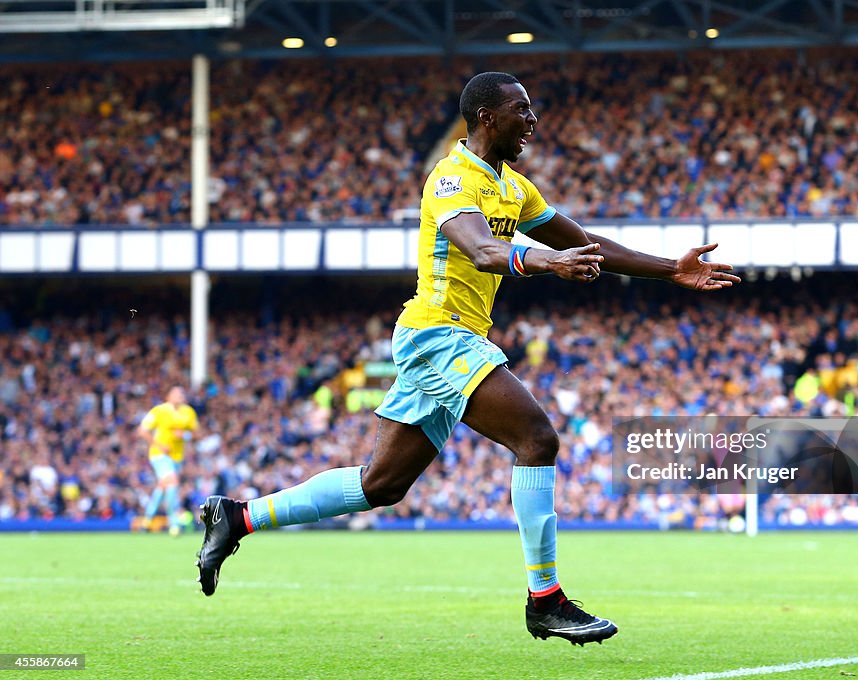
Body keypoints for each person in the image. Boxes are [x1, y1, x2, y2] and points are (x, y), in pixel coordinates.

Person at [196, 71, 739, 645]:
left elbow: (589, 246)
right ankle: (545, 599)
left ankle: (239, 516)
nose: (532, 120)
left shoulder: (516, 187)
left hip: (449, 338)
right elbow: (482, 251)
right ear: (487, 118)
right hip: (438, 333)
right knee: (537, 438)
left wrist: (671, 270)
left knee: (381, 485)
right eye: (521, 110)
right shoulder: (452, 179)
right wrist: (547, 263)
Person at [138, 386, 198, 536]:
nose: (180, 396)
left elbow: (197, 433)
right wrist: (159, 445)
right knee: (172, 482)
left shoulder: (188, 412)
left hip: (177, 457)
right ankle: (174, 522)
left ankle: (146, 521)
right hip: (159, 454)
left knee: (163, 487)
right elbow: (142, 431)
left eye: (182, 393)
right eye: (177, 394)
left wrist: (184, 435)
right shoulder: (159, 411)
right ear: (168, 396)